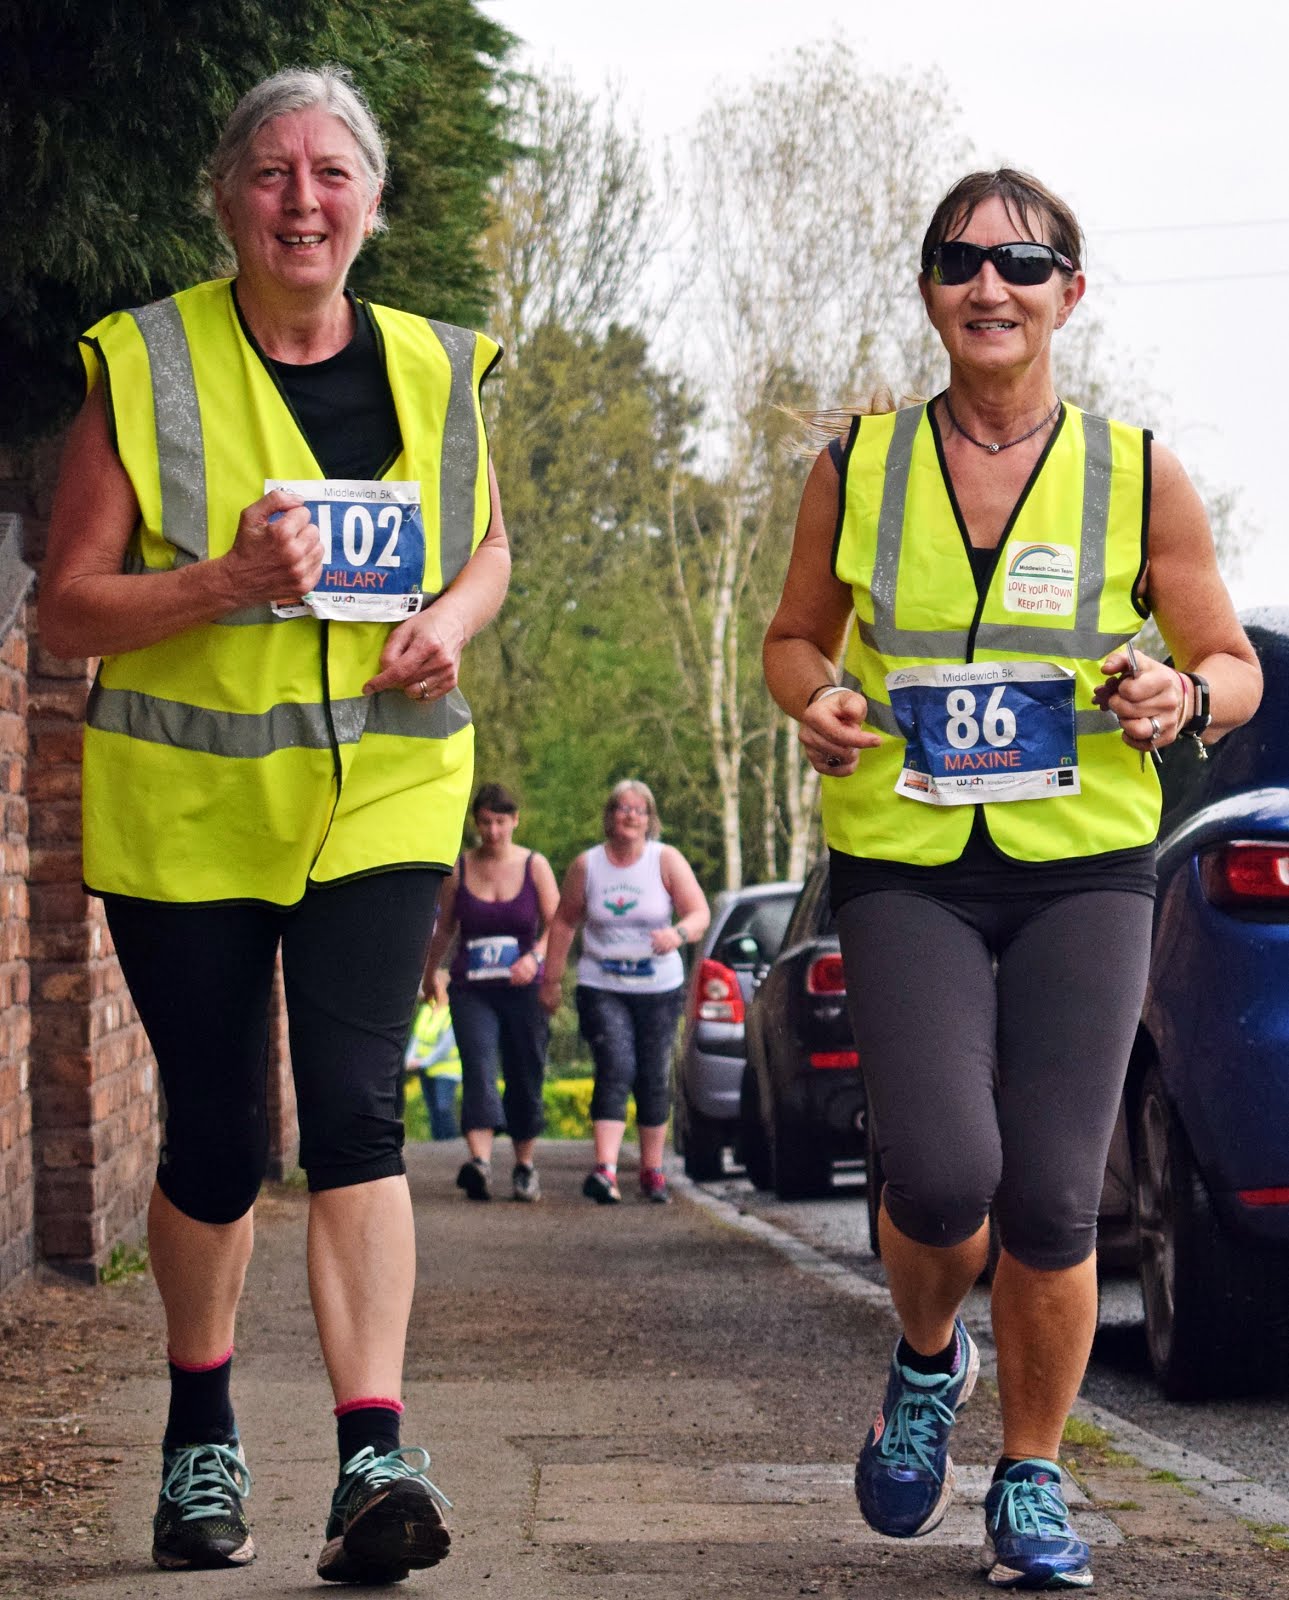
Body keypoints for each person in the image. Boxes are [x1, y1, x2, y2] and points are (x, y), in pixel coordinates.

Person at [37, 66, 510, 1584]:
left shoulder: (438, 364)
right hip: (192, 806)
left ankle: (373, 1455)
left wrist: (451, 621)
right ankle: (201, 1434)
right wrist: (225, 584)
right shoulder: (146, 363)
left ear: (372, 201)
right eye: (271, 172)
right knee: (222, 1132)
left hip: (384, 793)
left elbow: (487, 548)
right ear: (227, 198)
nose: (303, 200)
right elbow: (65, 610)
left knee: (360, 1110)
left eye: (331, 173)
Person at [763, 168, 1261, 1591]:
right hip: (906, 860)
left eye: (1023, 263)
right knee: (939, 1176)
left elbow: (1228, 663)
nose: (990, 285)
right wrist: (812, 699)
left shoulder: (1136, 471)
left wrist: (1180, 696)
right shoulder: (856, 466)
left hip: (1082, 868)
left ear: (1068, 295)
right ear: (928, 290)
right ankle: (929, 1359)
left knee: (1049, 1198)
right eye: (960, 260)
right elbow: (794, 639)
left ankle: (1030, 1478)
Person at [540, 780, 710, 1205]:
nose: (631, 816)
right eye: (623, 808)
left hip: (658, 986)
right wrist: (551, 981)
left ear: (650, 819)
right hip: (603, 984)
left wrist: (677, 933)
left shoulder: (664, 860)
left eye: (640, 809)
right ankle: (606, 1170)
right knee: (616, 1065)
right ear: (609, 816)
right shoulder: (588, 865)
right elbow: (564, 921)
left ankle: (652, 1170)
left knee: (652, 1074)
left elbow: (699, 913)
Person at [422, 782, 559, 1202]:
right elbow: (444, 927)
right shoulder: (460, 869)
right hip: (472, 989)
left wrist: (535, 959)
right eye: (484, 822)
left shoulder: (535, 865)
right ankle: (479, 1163)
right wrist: (429, 973)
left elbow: (559, 924)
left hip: (523, 988)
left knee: (524, 1070)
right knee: (478, 1065)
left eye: (500, 822)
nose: (493, 831)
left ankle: (524, 1165)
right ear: (475, 823)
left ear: (515, 820)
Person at [402, 995, 462, 1141]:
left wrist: (422, 1062)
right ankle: (439, 1144)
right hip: (426, 1071)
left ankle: (452, 1142)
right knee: (433, 1110)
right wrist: (408, 1059)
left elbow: (445, 1046)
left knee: (443, 1108)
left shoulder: (452, 1011)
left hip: (447, 1070)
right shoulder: (427, 1009)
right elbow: (416, 1037)